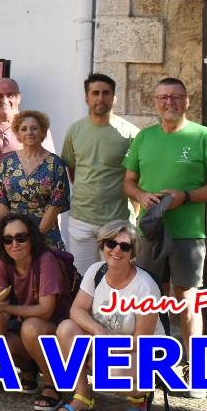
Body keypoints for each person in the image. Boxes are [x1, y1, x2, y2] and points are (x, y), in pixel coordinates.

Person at [123, 77, 207, 395]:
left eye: (176, 97)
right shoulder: (144, 137)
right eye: (163, 97)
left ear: (187, 101)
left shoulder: (202, 136)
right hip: (151, 232)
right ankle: (150, 368)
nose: (169, 102)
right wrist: (141, 196)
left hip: (188, 234)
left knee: (188, 303)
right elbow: (128, 181)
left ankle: (193, 373)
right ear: (154, 101)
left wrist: (186, 195)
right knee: (147, 302)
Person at [54, 220, 165, 411]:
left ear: (133, 252)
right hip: (103, 343)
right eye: (110, 243)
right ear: (102, 245)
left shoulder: (145, 287)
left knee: (109, 373)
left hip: (139, 353)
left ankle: (141, 395)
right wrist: (99, 332)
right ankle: (83, 396)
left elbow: (142, 341)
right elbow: (77, 310)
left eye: (125, 246)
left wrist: (100, 353)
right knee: (65, 329)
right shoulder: (96, 271)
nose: (116, 250)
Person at [0, 213, 74, 411]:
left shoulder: (46, 260)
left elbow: (46, 311)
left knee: (30, 327)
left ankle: (52, 386)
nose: (14, 243)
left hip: (57, 332)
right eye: (8, 239)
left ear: (32, 238)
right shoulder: (3, 265)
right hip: (27, 331)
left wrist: (5, 308)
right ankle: (27, 368)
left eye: (21, 237)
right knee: (0, 334)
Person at [60, 73, 141, 270]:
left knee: (118, 280)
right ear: (87, 97)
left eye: (106, 93)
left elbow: (137, 177)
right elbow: (72, 169)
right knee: (82, 279)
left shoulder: (130, 133)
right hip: (81, 220)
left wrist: (135, 214)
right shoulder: (75, 131)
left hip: (117, 220)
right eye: (95, 93)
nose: (100, 98)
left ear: (114, 98)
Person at [0, 78, 53, 249]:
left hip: (27, 219)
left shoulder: (34, 128)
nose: (5, 100)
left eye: (10, 95)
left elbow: (51, 173)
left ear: (19, 97)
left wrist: (51, 218)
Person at [0, 110, 71, 251]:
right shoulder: (7, 162)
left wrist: (35, 237)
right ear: (18, 133)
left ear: (43, 132)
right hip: (14, 238)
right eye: (24, 129)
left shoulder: (55, 163)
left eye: (34, 128)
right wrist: (13, 232)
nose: (29, 132)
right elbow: (0, 199)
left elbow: (56, 204)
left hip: (45, 235)